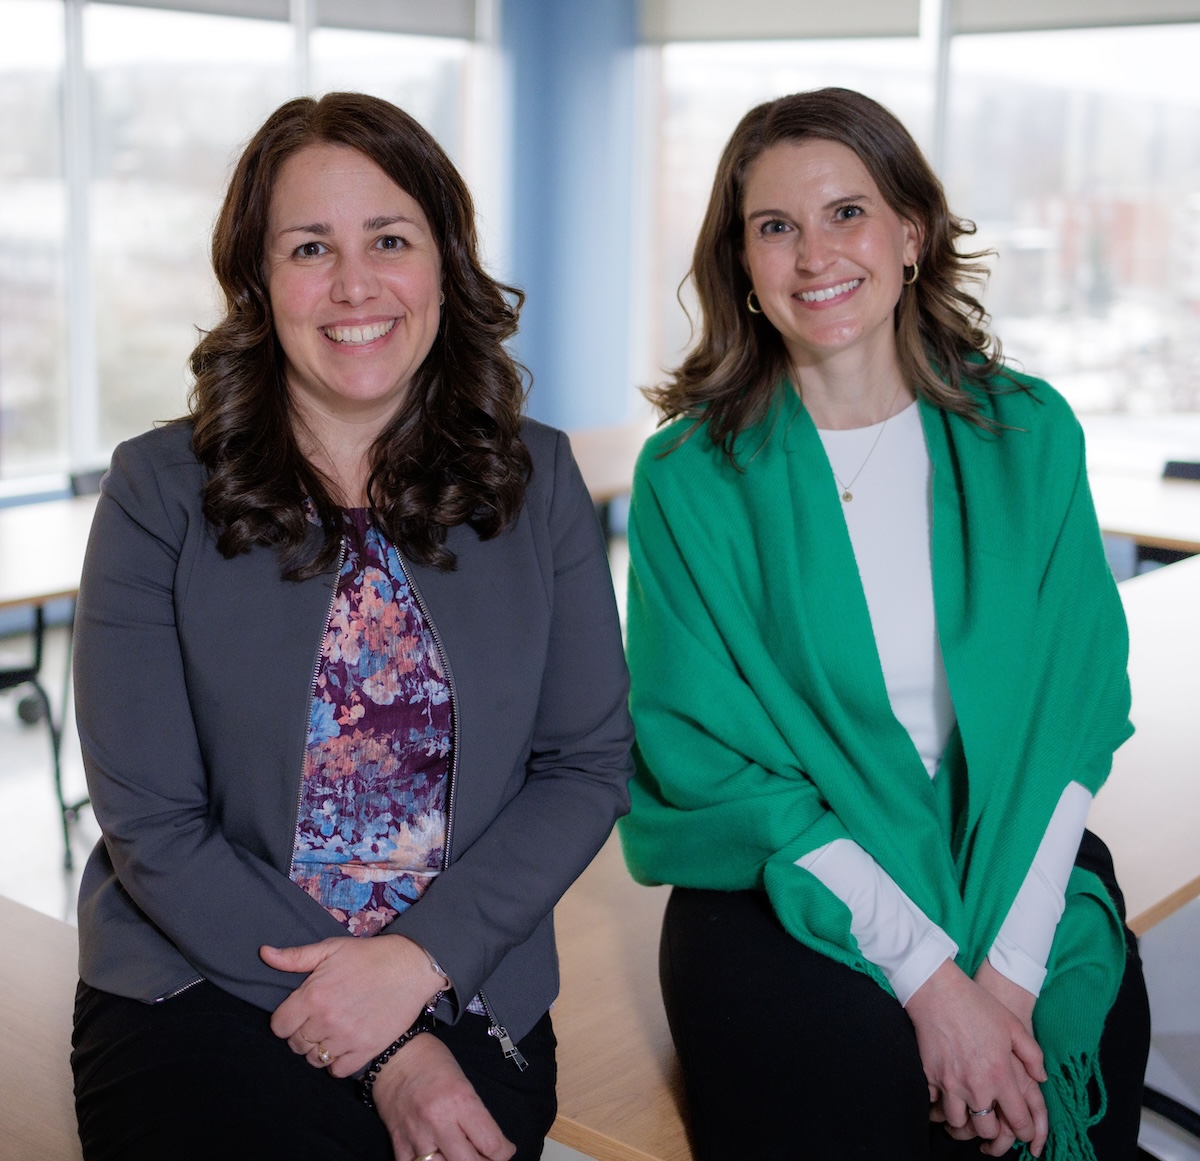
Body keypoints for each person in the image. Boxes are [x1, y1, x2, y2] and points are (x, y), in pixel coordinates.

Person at [70, 92, 634, 1161]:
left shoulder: (539, 477)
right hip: (205, 972)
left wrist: (420, 962)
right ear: (258, 280)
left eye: (389, 239)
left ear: (443, 262)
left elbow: (586, 762)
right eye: (309, 247)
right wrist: (389, 1051)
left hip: (462, 973)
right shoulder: (157, 491)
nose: (354, 284)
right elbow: (156, 828)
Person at [619, 88, 1150, 1160]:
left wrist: (1001, 978)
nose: (815, 255)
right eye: (776, 227)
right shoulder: (690, 480)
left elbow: (1069, 719)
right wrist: (932, 987)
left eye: (846, 213)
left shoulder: (1029, 436)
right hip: (781, 879)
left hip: (1001, 857)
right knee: (854, 1079)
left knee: (1084, 1032)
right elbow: (715, 766)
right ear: (744, 265)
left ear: (911, 233)